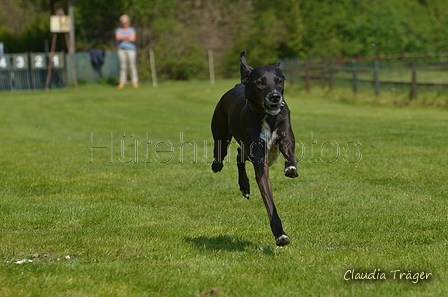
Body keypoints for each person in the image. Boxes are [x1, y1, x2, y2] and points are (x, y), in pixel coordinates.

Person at [115, 14, 139, 89]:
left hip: (131, 50)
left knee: (132, 66)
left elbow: (132, 39)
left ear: (128, 22)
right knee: (123, 67)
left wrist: (123, 37)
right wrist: (127, 37)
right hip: (121, 50)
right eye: (122, 22)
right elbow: (118, 38)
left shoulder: (132, 30)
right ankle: (122, 82)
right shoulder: (118, 30)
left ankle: (135, 82)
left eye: (125, 21)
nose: (124, 23)